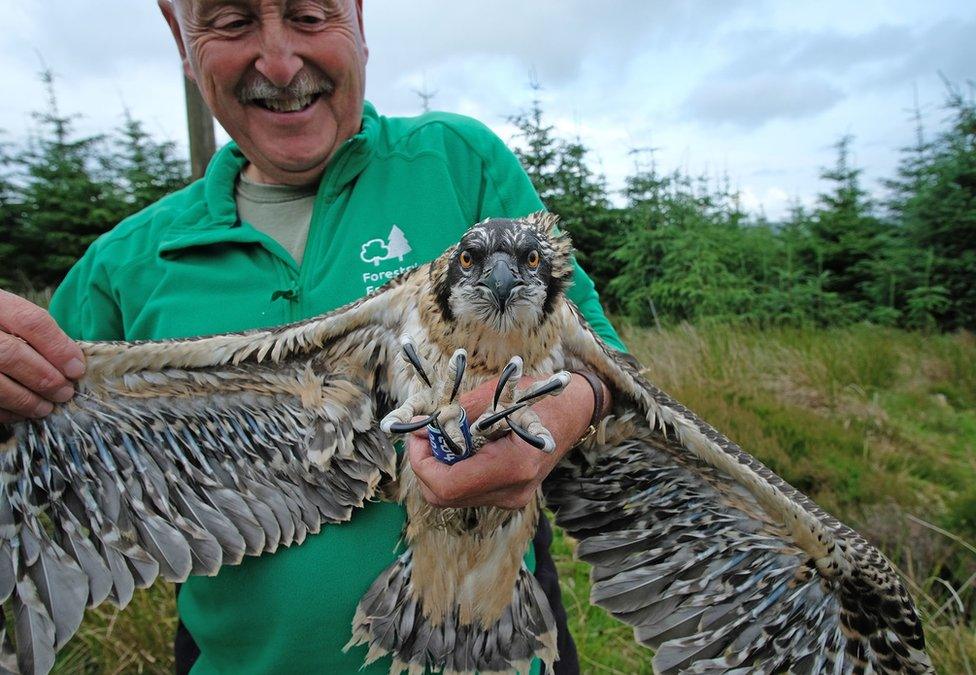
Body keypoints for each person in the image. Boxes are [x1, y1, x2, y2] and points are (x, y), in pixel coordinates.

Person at [0, 0, 625, 672]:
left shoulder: (458, 163)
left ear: (358, 17)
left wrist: (569, 410)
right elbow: (28, 458)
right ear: (179, 35)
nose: (278, 61)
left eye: (306, 15)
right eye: (232, 22)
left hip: (495, 641)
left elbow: (610, 365)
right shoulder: (125, 267)